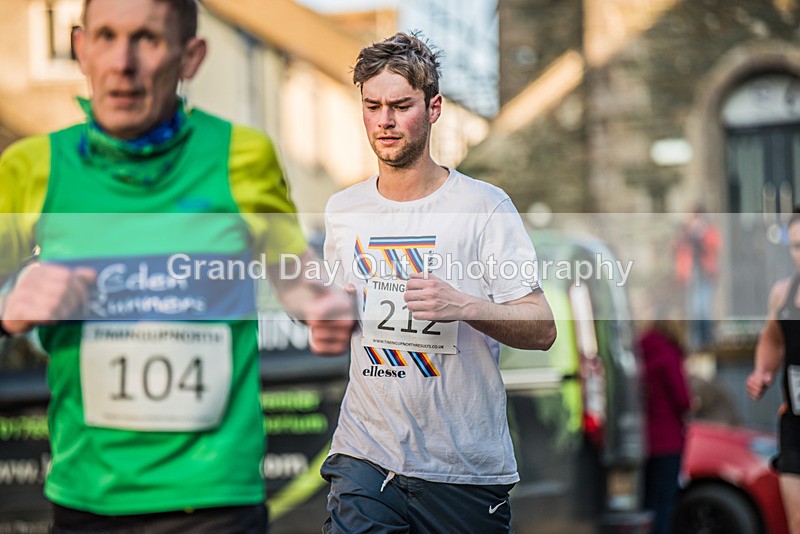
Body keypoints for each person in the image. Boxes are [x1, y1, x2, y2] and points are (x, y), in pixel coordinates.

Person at [0, 0, 354, 532]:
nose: (123, 62)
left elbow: (297, 280)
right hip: (88, 496)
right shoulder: (31, 168)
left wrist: (324, 303)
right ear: (80, 49)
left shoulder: (242, 155)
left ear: (191, 57)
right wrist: (8, 300)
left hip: (217, 499)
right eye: (106, 37)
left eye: (147, 38)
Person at [320, 32, 557, 533]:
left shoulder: (484, 207)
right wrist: (326, 317)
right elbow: (342, 314)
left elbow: (541, 327)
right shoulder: (343, 211)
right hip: (366, 456)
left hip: (463, 469)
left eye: (401, 106)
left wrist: (465, 305)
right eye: (372, 106)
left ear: (434, 108)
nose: (384, 121)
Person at [747, 208, 800, 534]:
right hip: (795, 425)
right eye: (796, 246)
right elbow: (773, 339)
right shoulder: (784, 293)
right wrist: (761, 372)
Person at [637, 320, 692, 534]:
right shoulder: (668, 356)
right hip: (667, 441)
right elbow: (682, 400)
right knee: (664, 505)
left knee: (648, 502)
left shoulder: (640, 355)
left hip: (644, 441)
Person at [674, 205, 721, 351]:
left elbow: (715, 247)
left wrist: (700, 235)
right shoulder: (686, 234)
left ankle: (707, 340)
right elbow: (677, 250)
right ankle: (696, 342)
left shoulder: (709, 231)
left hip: (705, 275)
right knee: (694, 309)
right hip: (691, 277)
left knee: (704, 308)